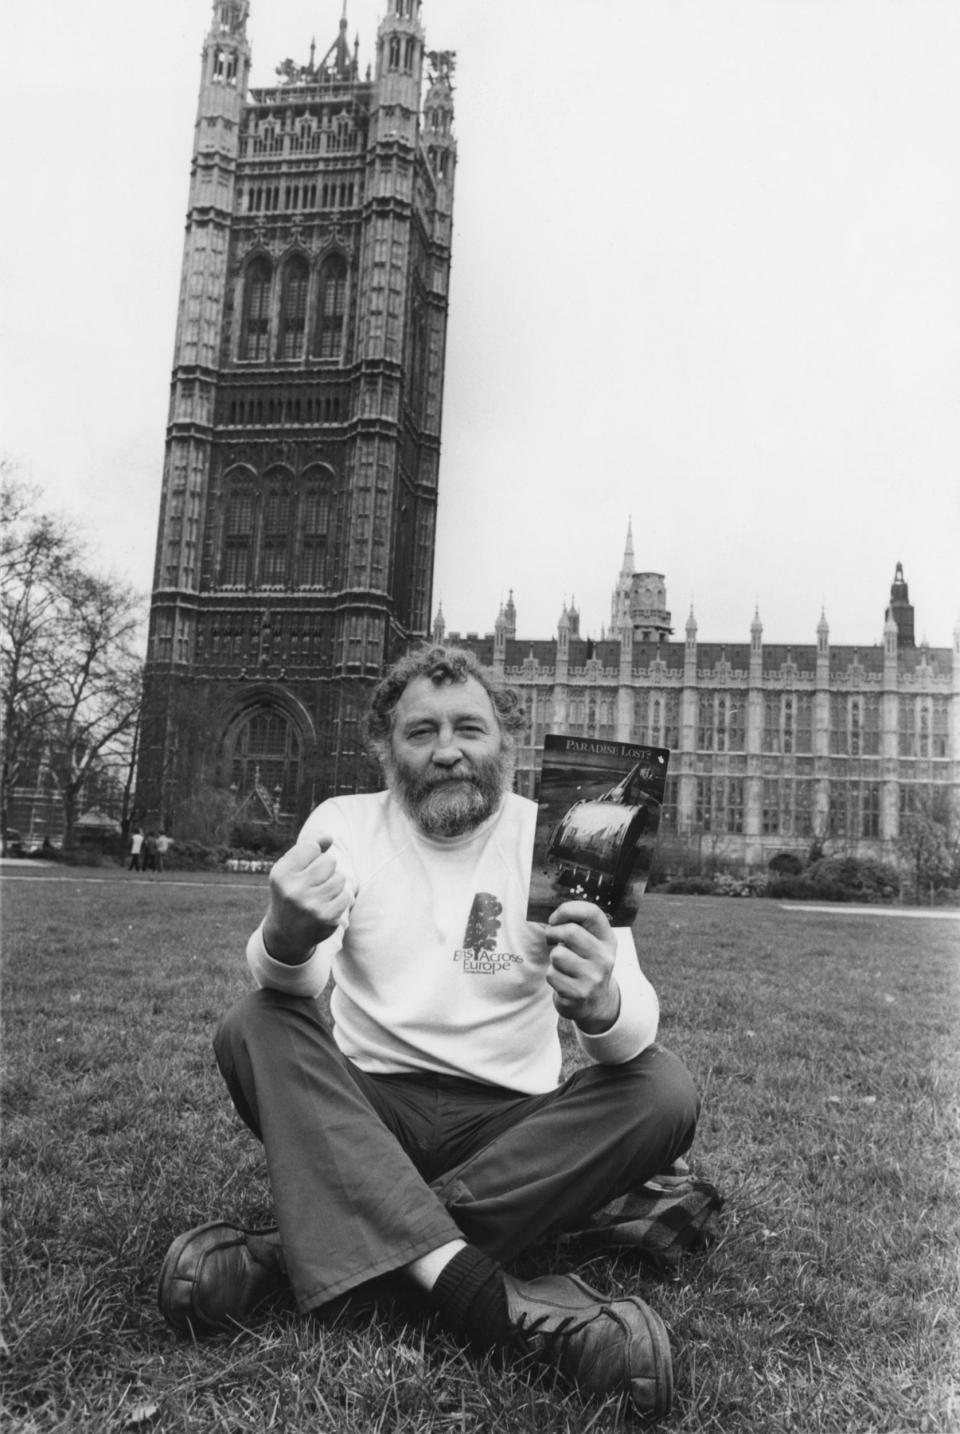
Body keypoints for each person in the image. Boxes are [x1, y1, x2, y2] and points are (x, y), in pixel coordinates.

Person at [158, 646, 705, 1418]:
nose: (447, 749)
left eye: (468, 728)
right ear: (386, 749)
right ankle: (482, 1294)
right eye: (422, 733)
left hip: (511, 1126)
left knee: (664, 1089)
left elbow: (634, 1029)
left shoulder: (565, 836)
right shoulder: (345, 824)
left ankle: (300, 1252)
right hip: (369, 1107)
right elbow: (293, 987)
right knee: (252, 1024)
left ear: (504, 744)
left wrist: (603, 1001)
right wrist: (283, 935)